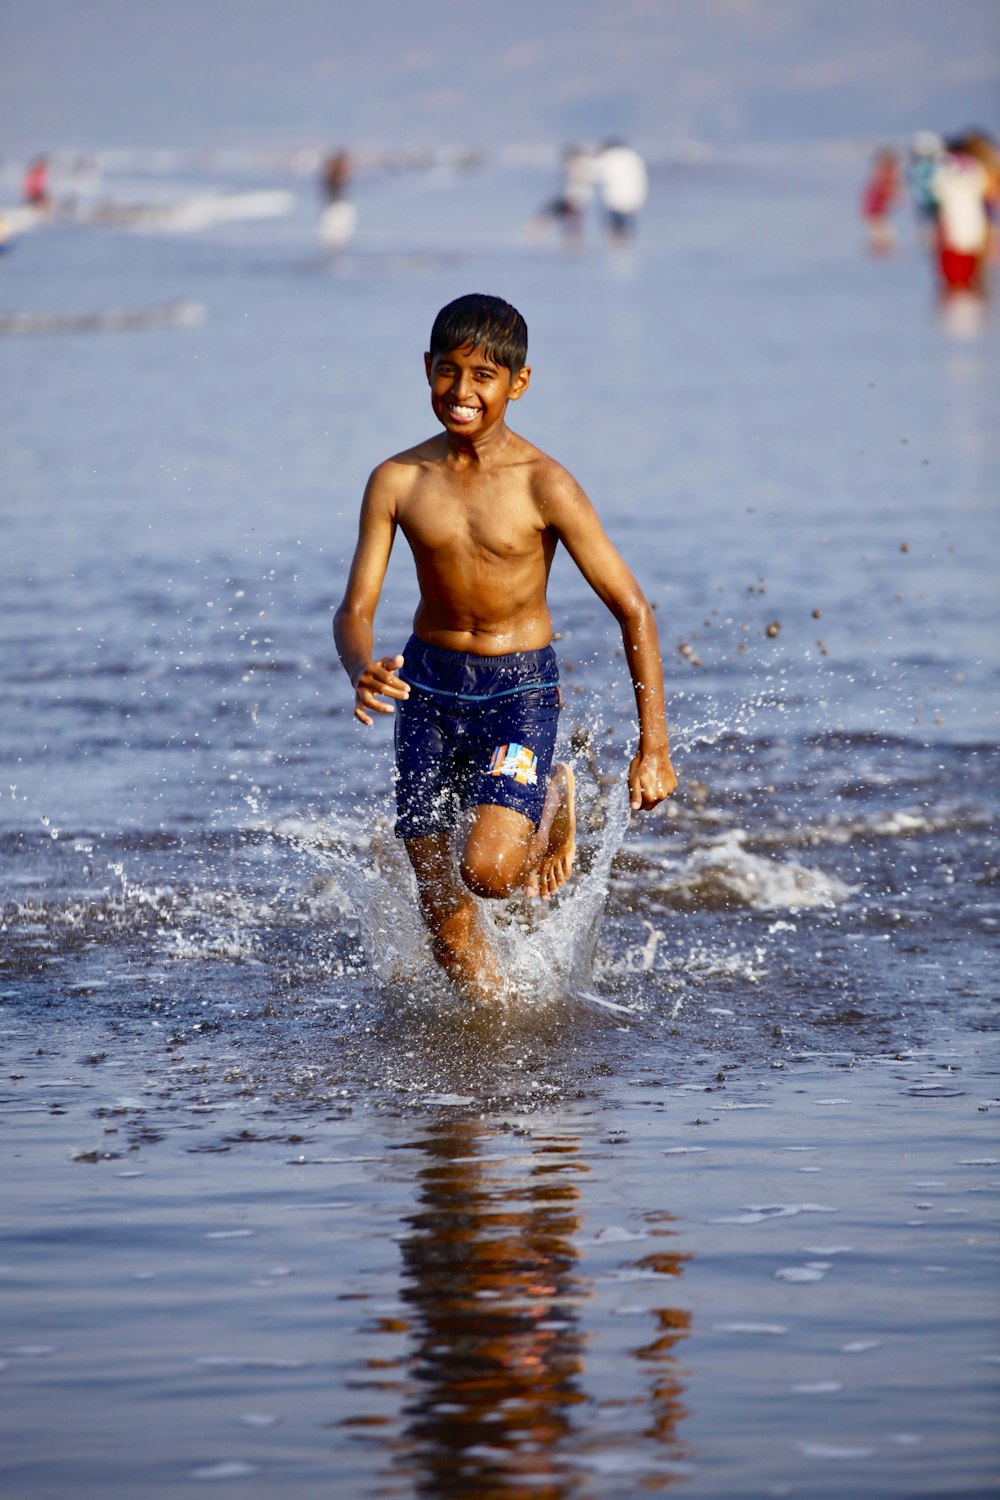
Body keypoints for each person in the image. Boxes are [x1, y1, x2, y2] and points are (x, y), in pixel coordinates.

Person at [334, 293, 677, 1003]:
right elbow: (355, 607)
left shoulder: (543, 484)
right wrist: (358, 665)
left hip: (516, 692)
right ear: (427, 369)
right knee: (441, 908)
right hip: (427, 691)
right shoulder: (397, 481)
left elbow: (632, 609)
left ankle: (553, 797)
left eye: (484, 376)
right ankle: (500, 1030)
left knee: (488, 872)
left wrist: (655, 749)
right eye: (449, 372)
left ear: (518, 383)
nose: (463, 392)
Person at [595, 141, 648, 240]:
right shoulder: (633, 157)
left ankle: (619, 241)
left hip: (614, 197)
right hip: (633, 196)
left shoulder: (608, 158)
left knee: (616, 221)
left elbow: (598, 175)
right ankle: (628, 240)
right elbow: (641, 179)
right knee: (629, 220)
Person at [860, 147, 902, 254]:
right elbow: (887, 188)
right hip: (875, 210)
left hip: (877, 210)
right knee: (884, 236)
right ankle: (879, 254)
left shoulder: (882, 174)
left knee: (883, 235)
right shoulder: (884, 176)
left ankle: (879, 253)